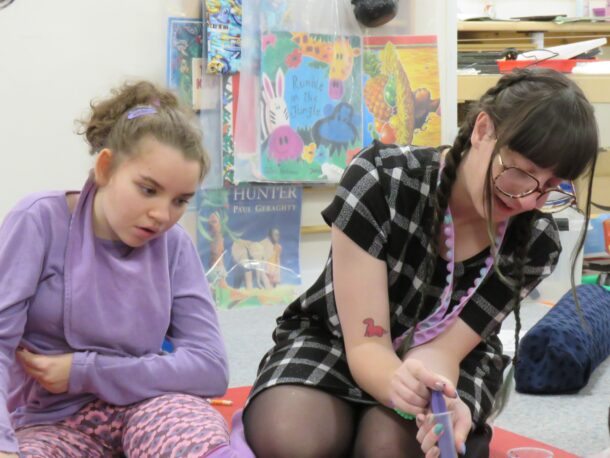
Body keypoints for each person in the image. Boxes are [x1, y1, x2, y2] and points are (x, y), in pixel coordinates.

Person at [241, 67, 599, 457]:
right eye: (520, 174)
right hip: (339, 340)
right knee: (290, 439)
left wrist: (439, 398)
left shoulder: (534, 239)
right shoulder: (381, 180)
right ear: (482, 130)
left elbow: (443, 352)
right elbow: (365, 345)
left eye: (550, 188)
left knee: (389, 448)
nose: (528, 200)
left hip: (450, 362)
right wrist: (394, 379)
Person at [0, 81, 237, 457]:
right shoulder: (38, 222)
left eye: (180, 201)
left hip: (152, 404)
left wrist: (86, 370)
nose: (162, 215)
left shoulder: (175, 245)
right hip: (52, 420)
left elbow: (210, 368)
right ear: (105, 167)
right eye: (148, 190)